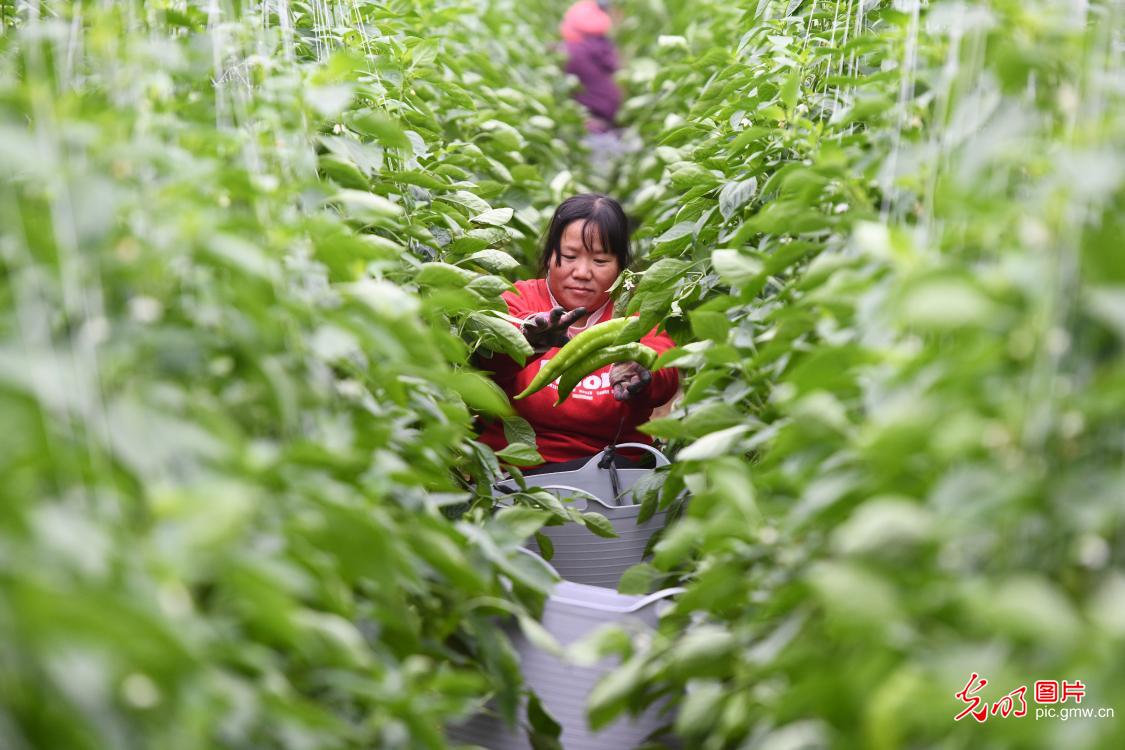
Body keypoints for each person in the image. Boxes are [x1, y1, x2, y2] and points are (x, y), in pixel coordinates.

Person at [477, 194, 679, 471]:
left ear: (621, 266)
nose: (582, 272)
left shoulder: (636, 313)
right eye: (570, 257)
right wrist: (527, 339)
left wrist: (643, 370)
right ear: (549, 256)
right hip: (516, 472)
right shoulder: (518, 299)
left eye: (600, 261)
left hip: (612, 472)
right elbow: (486, 359)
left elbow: (664, 361)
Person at [559, 0, 622, 133]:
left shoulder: (570, 50)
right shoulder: (603, 47)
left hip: (587, 115)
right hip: (608, 110)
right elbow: (613, 66)